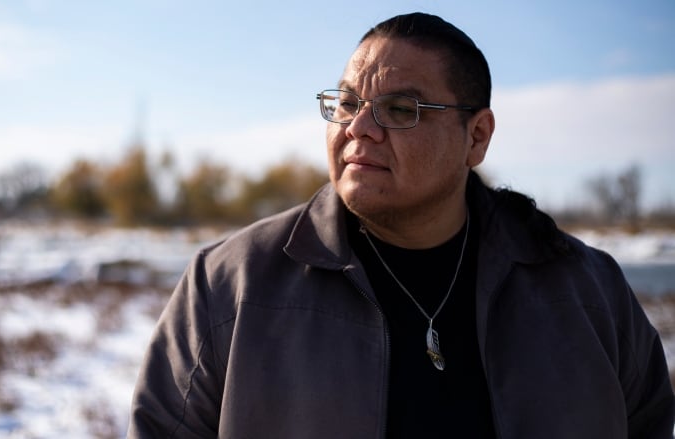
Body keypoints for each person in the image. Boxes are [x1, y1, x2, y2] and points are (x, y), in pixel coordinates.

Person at [128, 12, 674, 438]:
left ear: (477, 137)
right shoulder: (231, 285)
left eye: (399, 109)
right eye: (346, 103)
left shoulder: (587, 291)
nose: (359, 128)